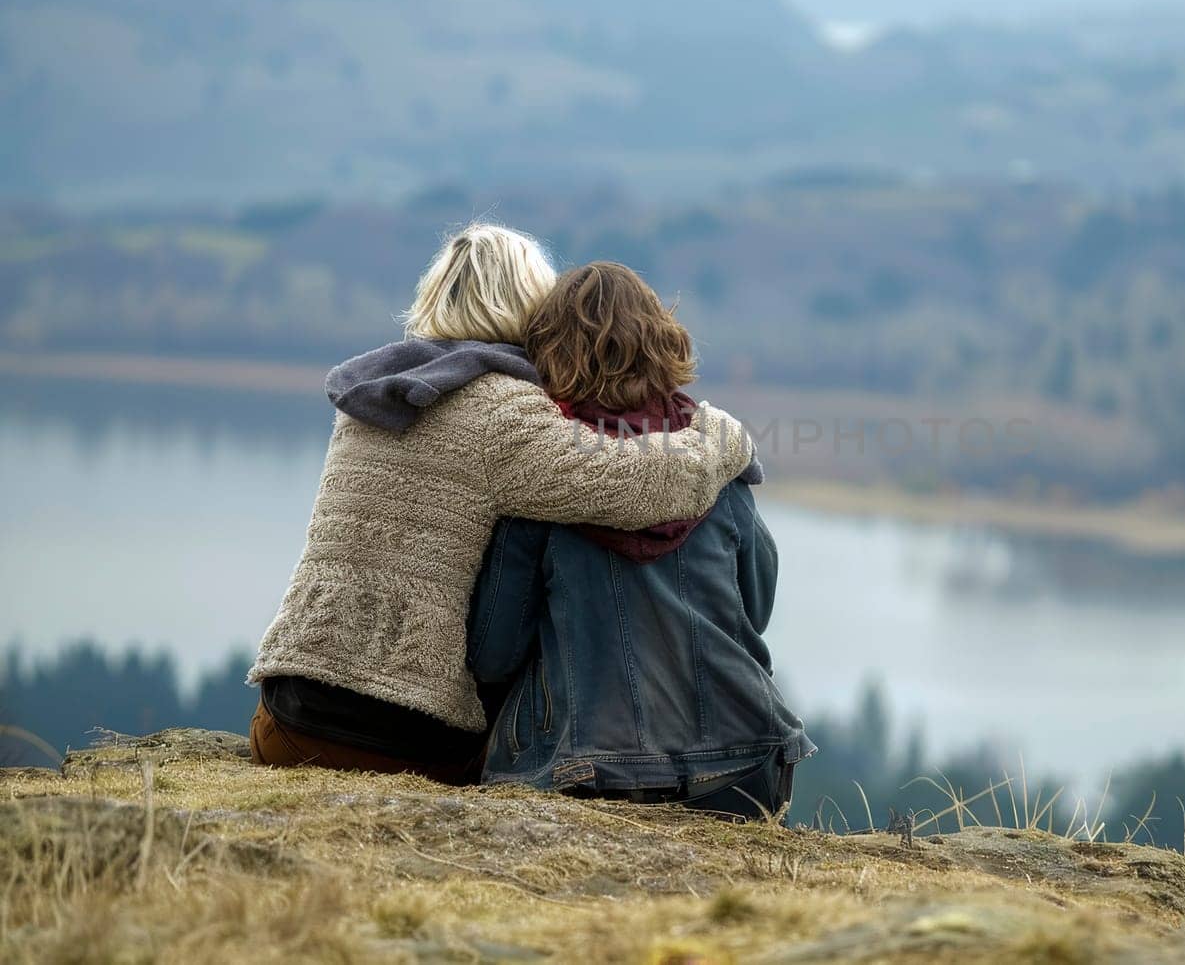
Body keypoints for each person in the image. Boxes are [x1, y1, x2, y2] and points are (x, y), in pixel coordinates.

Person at [247, 226, 758, 784]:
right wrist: (720, 439)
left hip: (285, 726)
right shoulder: (504, 413)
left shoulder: (375, 393)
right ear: (528, 306)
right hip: (400, 740)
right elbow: (639, 488)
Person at [467, 261, 813, 820]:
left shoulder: (544, 480)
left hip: (583, 772)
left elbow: (493, 653)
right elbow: (756, 609)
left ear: (547, 354)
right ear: (662, 344)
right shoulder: (718, 467)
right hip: (746, 764)